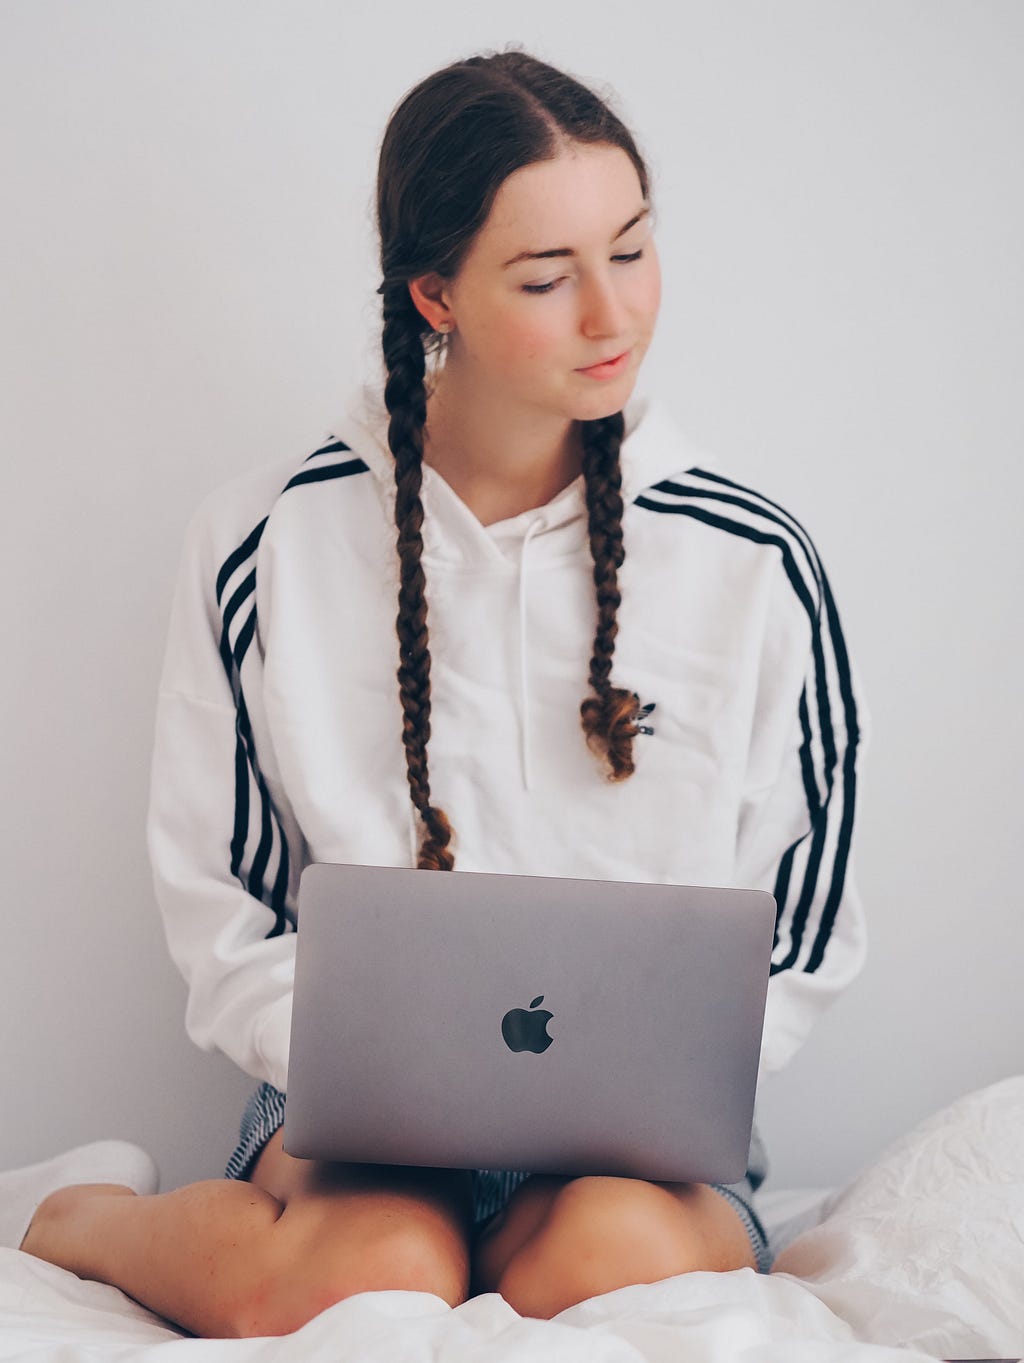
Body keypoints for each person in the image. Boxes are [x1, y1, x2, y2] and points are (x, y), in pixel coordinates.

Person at [2, 48, 869, 1336]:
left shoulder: (755, 561)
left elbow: (808, 909)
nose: (612, 314)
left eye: (631, 252)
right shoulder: (265, 542)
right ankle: (89, 1218)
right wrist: (364, 1076)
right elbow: (223, 895)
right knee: (384, 1270)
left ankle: (548, 1229)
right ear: (434, 295)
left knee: (605, 1260)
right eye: (546, 276)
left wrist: (675, 1084)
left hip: (641, 1137)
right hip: (346, 1115)